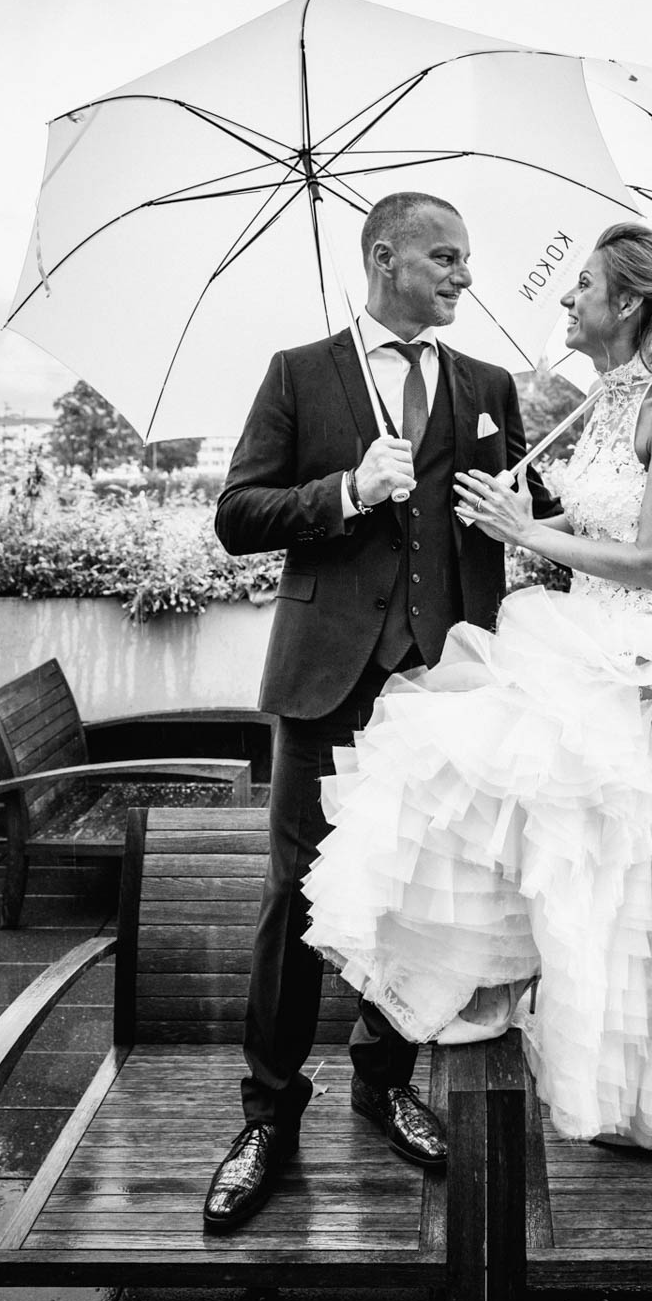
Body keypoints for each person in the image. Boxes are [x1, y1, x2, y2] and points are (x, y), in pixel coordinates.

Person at [303, 221, 652, 1158]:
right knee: (516, 835)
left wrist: (527, 532)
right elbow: (579, 522)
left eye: (582, 284)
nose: (566, 296)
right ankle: (409, 1045)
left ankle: (648, 1094)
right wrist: (519, 508)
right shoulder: (596, 404)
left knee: (639, 880)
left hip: (635, 663)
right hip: (575, 640)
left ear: (626, 302)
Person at [202, 190, 560, 1231]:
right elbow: (237, 515)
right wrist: (347, 490)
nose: (462, 275)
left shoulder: (489, 385)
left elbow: (526, 518)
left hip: (445, 685)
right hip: (326, 680)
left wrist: (530, 509)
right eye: (444, 256)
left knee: (414, 897)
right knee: (294, 895)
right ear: (384, 256)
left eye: (465, 258)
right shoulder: (298, 373)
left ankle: (381, 1080)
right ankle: (268, 1114)